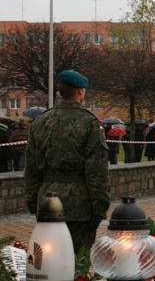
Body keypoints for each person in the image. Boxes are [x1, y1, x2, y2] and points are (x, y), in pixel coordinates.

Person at [24, 70, 110, 254]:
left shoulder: (40, 121)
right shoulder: (89, 122)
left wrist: (33, 200)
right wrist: (99, 206)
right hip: (79, 205)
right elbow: (97, 170)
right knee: (77, 264)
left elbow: (31, 166)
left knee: (49, 260)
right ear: (80, 91)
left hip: (46, 201)